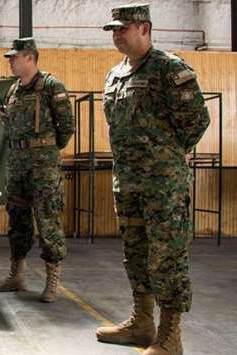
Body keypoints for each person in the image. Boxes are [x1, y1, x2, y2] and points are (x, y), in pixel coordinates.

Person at [96, 4, 210, 355]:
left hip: (163, 185)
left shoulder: (169, 68)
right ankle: (142, 323)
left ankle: (170, 336)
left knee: (167, 257)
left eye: (123, 29)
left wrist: (166, 158)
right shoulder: (115, 75)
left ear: (144, 28)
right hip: (127, 182)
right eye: (113, 29)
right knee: (137, 254)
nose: (116, 34)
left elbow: (196, 122)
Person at [0, 37, 74, 303]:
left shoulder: (51, 86)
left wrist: (45, 150)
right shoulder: (13, 90)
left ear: (29, 57)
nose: (10, 61)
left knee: (47, 220)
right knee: (17, 220)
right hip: (17, 164)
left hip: (43, 166)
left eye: (14, 57)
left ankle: (52, 280)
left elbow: (66, 127)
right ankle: (17, 274)